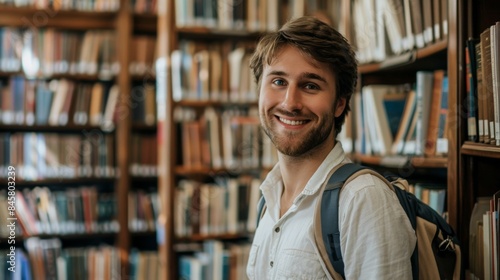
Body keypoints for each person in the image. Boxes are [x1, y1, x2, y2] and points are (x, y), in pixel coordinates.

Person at [246, 16, 416, 279]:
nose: (290, 102)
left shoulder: (362, 200)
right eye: (278, 82)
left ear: (339, 104)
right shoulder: (267, 200)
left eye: (310, 85)